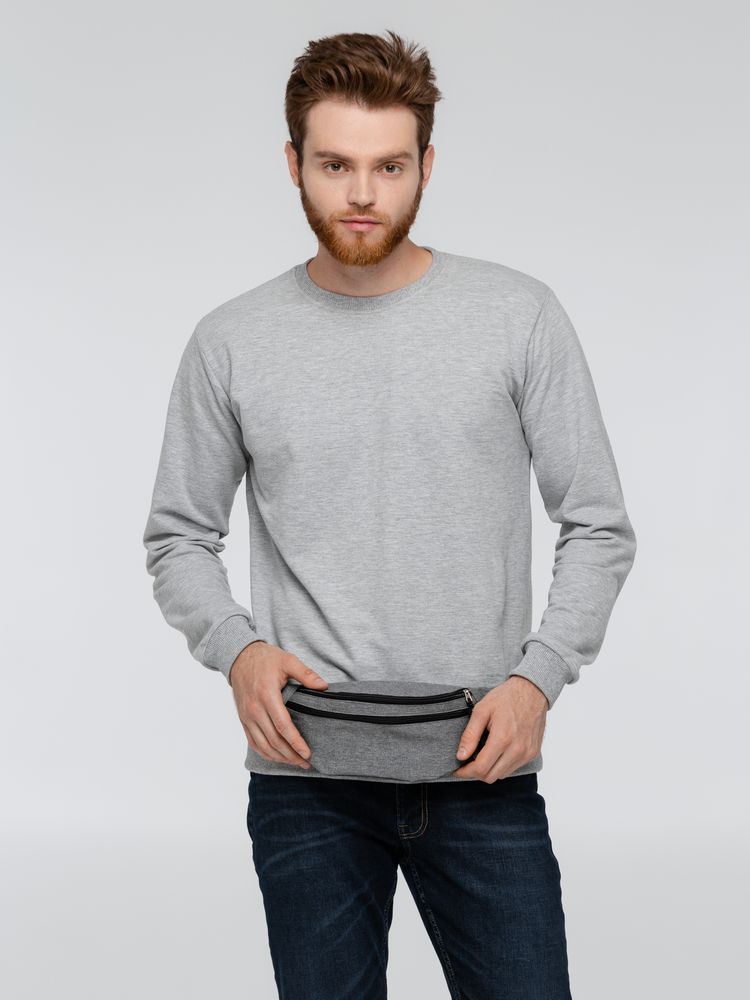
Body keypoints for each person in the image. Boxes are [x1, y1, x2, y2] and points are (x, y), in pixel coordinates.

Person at [143, 28, 636, 1000]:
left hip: (481, 770)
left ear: (427, 165)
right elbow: (178, 536)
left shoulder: (518, 316)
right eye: (335, 165)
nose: (363, 193)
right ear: (293, 163)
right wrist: (239, 651)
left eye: (389, 166)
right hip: (306, 781)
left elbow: (597, 523)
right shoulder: (231, 341)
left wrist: (537, 680)